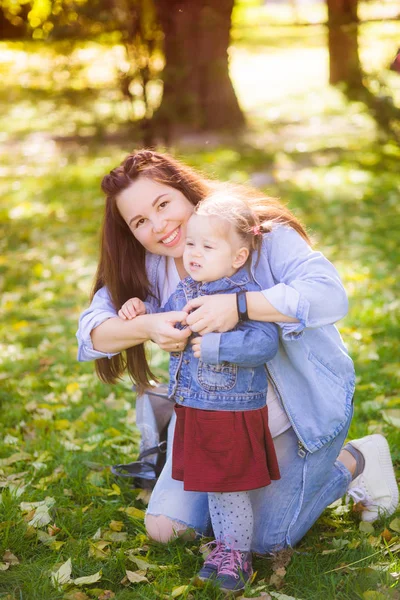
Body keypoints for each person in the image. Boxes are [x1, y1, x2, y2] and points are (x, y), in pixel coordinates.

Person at [76, 149, 398, 559]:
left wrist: (241, 306)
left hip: (296, 415)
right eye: (140, 221)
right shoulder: (151, 266)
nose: (159, 226)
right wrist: (147, 327)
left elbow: (331, 295)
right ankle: (169, 420)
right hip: (214, 421)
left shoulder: (260, 235)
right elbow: (92, 333)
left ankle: (357, 457)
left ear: (186, 192)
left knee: (267, 542)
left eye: (163, 204)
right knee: (166, 530)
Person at [118, 191, 282, 592]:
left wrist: (216, 345)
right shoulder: (189, 288)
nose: (193, 252)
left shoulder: (246, 295)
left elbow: (264, 343)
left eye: (207, 246)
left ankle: (237, 554)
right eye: (191, 243)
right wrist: (142, 314)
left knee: (229, 488)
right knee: (211, 483)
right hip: (193, 406)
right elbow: (170, 322)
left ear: (238, 257)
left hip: (230, 411)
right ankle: (225, 545)